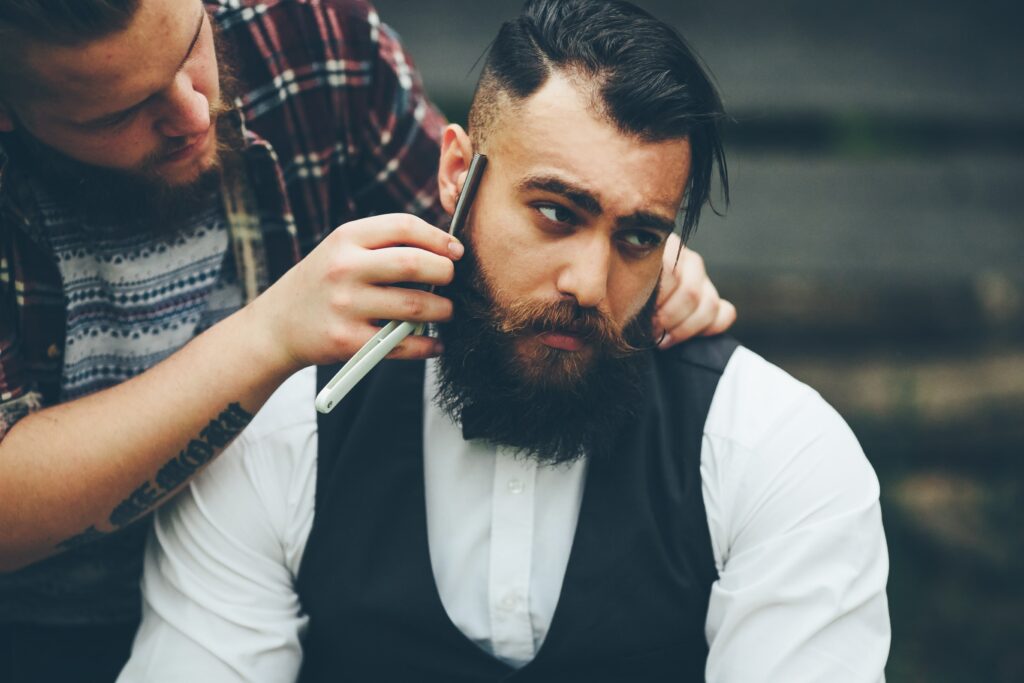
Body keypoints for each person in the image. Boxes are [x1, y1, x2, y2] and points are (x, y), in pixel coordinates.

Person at [118, 0, 891, 681]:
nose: (589, 283)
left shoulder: (776, 449)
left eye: (639, 236)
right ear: (457, 172)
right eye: (556, 211)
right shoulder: (283, 434)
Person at [0, 0, 734, 679]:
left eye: (191, 47)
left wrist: (625, 249)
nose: (195, 112)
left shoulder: (309, 36)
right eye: (119, 112)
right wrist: (265, 337)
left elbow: (477, 207)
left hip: (279, 583)